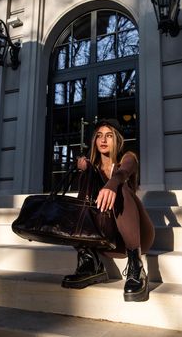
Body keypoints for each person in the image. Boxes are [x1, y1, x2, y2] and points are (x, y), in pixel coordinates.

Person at [61, 118, 155, 302]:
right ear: (95, 141)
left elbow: (124, 171)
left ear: (117, 140)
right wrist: (87, 171)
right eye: (99, 136)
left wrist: (112, 183)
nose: (103, 140)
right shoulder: (92, 167)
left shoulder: (128, 158)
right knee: (85, 186)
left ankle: (136, 267)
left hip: (136, 235)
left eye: (109, 136)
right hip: (106, 240)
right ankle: (89, 261)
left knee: (120, 187)